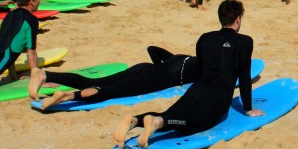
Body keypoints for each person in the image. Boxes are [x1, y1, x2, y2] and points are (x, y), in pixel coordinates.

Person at [111, 0, 264, 149]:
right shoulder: (245, 41)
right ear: (238, 19)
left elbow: (201, 69)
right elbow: (244, 77)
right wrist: (248, 109)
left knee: (170, 114)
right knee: (194, 122)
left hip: (197, 89)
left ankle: (135, 120)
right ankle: (157, 122)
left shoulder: (205, 38)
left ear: (221, 18)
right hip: (219, 95)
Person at [30, 46, 196, 109]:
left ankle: (45, 74)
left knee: (92, 82)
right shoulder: (199, 69)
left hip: (144, 67)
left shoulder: (183, 57)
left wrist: (158, 67)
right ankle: (69, 96)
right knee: (108, 91)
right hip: (153, 80)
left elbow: (152, 49)